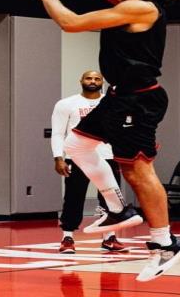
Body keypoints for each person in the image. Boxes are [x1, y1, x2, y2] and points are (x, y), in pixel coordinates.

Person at [19, 0, 180, 282]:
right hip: (120, 96)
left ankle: (166, 242)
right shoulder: (132, 1)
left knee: (138, 170)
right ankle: (117, 209)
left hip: (139, 100)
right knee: (77, 145)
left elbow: (71, 23)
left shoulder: (139, 8)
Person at [52, 70, 127, 254]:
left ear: (102, 82)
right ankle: (67, 237)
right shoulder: (66, 104)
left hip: (107, 157)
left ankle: (109, 237)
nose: (92, 81)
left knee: (111, 199)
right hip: (77, 157)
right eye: (89, 78)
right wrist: (58, 157)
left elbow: (121, 131)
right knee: (73, 197)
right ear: (81, 81)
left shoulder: (111, 103)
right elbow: (58, 133)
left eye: (97, 79)